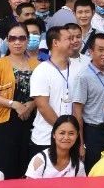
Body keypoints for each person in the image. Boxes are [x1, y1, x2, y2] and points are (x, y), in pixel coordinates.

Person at [0, 22, 38, 177]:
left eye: (22, 38)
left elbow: (42, 93)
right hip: (7, 122)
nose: (17, 42)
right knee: (7, 166)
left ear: (27, 40)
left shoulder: (37, 64)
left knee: (28, 165)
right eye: (13, 38)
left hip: (31, 119)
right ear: (7, 41)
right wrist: (14, 104)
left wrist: (31, 104)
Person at [29, 27, 76, 158]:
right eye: (68, 39)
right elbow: (43, 106)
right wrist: (63, 131)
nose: (73, 42)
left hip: (71, 139)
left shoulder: (77, 68)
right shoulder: (42, 71)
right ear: (55, 43)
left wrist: (71, 134)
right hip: (46, 139)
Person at [73, 34, 104, 171]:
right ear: (91, 51)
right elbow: (77, 112)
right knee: (95, 171)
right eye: (100, 50)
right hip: (93, 132)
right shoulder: (83, 76)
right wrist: (80, 144)